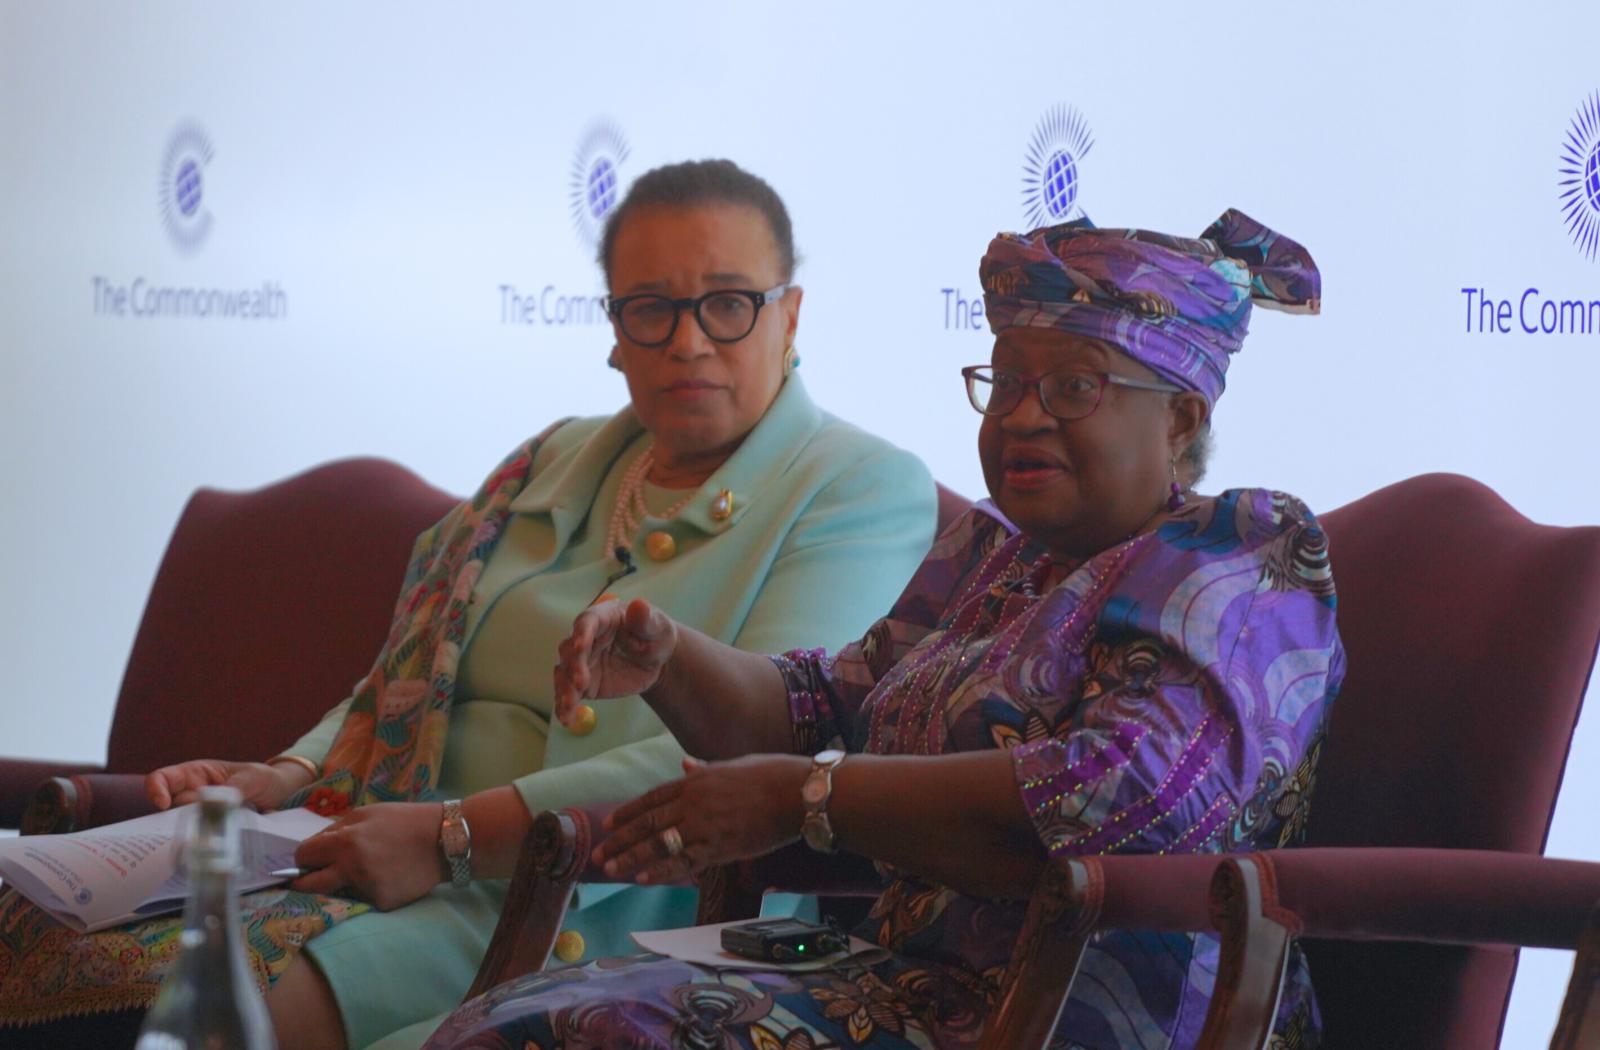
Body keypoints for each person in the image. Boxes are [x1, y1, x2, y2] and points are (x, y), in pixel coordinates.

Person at [0, 160, 937, 1050]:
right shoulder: (550, 459)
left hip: (598, 901)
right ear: (613, 328)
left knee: (218, 1009)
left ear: (791, 313)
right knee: (34, 942)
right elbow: (405, 678)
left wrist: (451, 839)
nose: (689, 340)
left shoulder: (860, 487)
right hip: (370, 846)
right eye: (651, 308)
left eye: (728, 304)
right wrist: (287, 773)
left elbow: (757, 748)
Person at [417, 210, 1343, 1049]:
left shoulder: (1234, 559)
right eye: (1007, 382)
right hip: (911, 993)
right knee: (529, 1021)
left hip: (1098, 1017)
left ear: (1182, 420)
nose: (1022, 415)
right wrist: (669, 658)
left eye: (1072, 388)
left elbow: (1127, 795)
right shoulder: (998, 553)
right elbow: (824, 708)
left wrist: (812, 800)